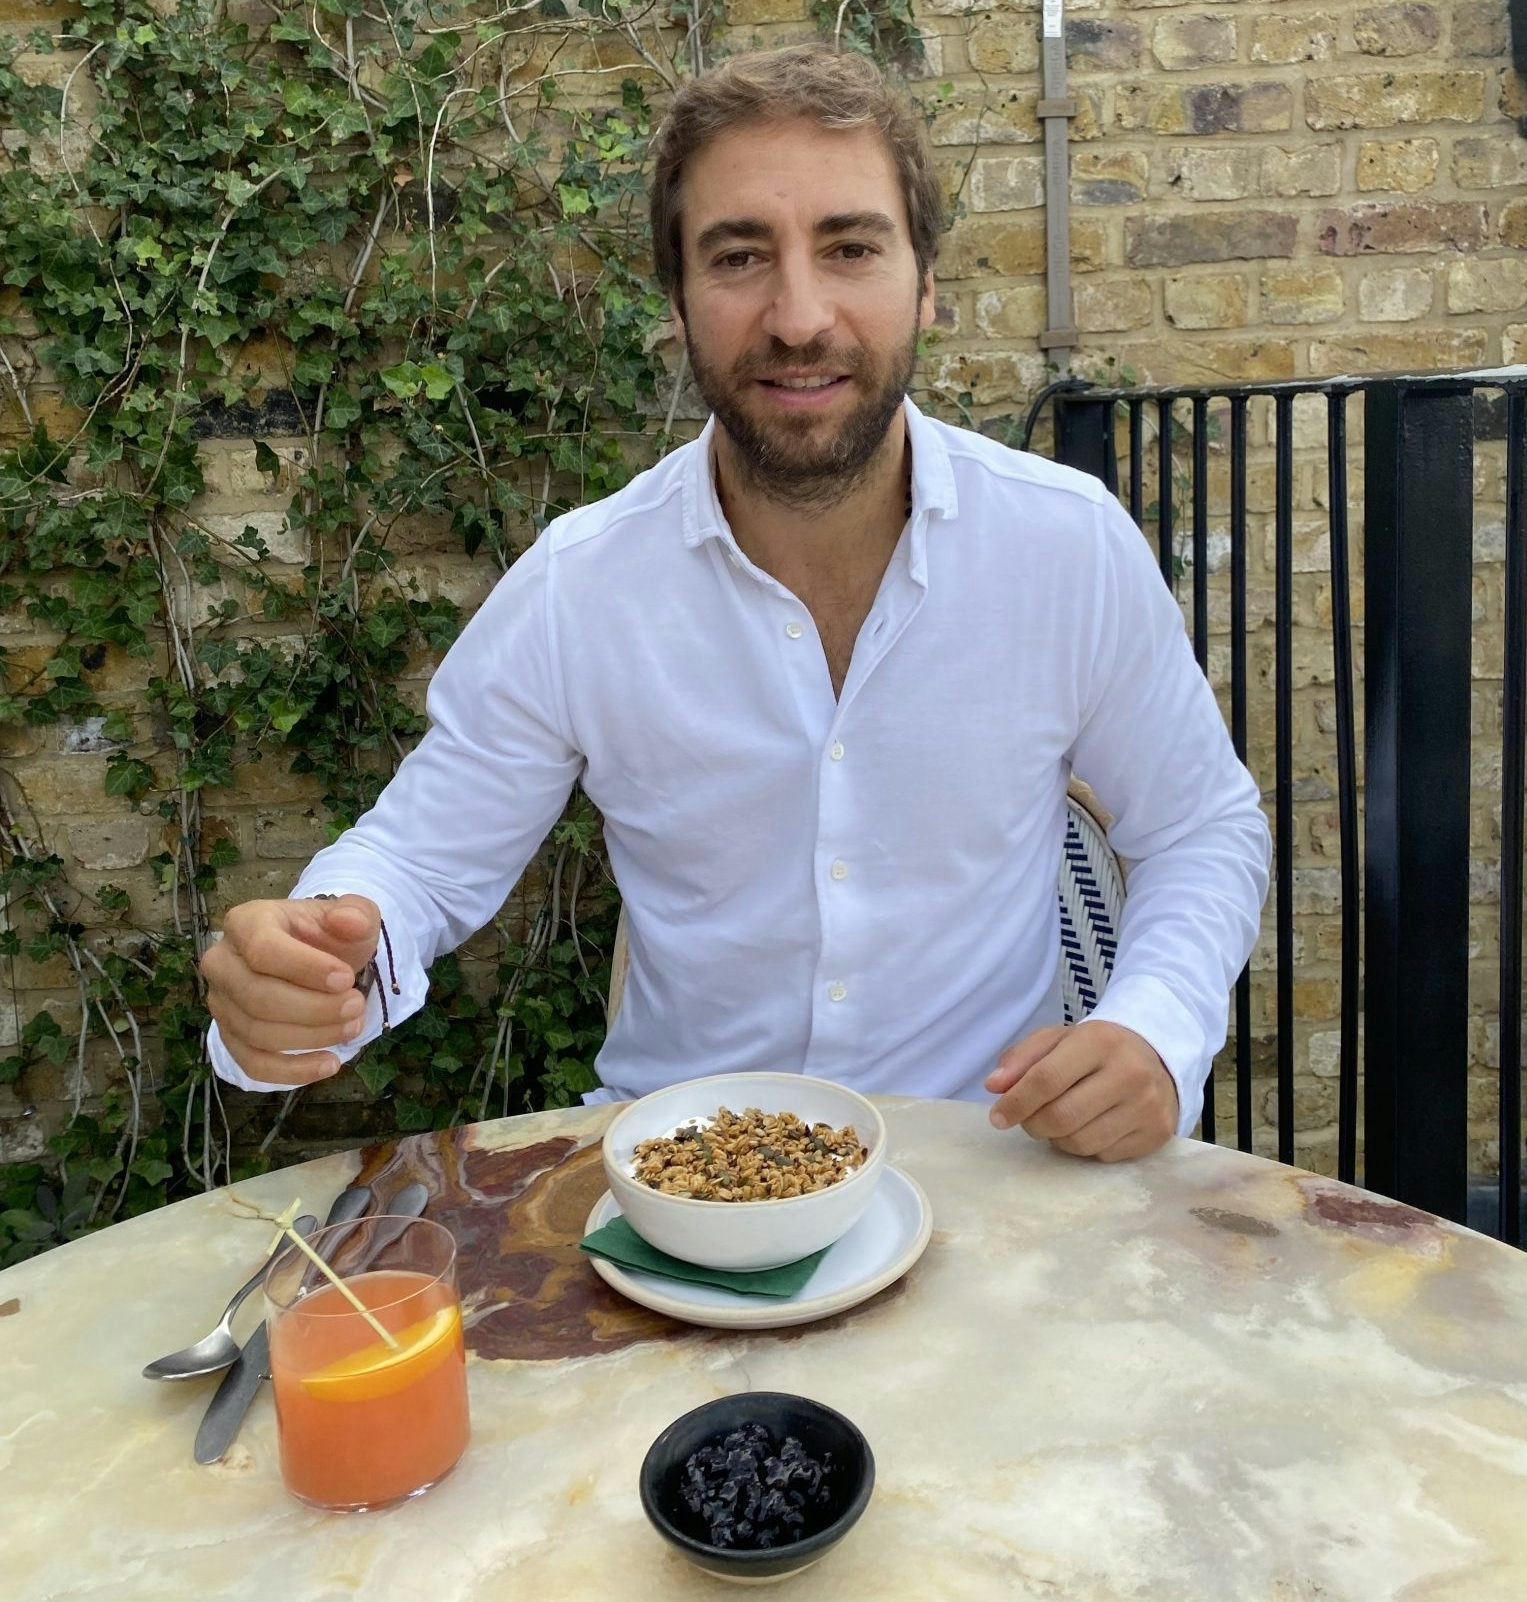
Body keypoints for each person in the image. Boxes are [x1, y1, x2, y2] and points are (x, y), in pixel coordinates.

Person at [203, 45, 1271, 1162]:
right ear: (677, 299)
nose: (799, 315)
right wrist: (316, 966)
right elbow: (417, 864)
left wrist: (1154, 1028)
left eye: (850, 247)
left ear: (927, 282)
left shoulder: (1064, 545)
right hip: (682, 1199)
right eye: (739, 257)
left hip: (987, 1176)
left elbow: (1200, 828)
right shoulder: (586, 585)